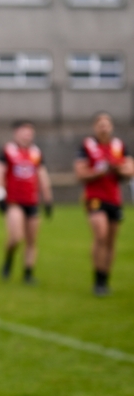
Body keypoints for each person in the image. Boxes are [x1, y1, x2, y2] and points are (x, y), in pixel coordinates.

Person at [74, 112, 133, 296]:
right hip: (94, 197)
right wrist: (98, 172)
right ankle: (97, 278)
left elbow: (129, 169)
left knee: (110, 241)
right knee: (101, 235)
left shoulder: (119, 146)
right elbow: (80, 173)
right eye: (100, 124)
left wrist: (117, 168)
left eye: (107, 124)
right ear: (95, 127)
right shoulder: (87, 146)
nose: (104, 128)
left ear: (111, 127)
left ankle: (105, 278)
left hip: (114, 198)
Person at [0, 121, 53, 284]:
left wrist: (48, 198)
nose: (27, 135)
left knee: (32, 240)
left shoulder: (36, 153)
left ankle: (28, 272)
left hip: (31, 201)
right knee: (16, 237)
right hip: (14, 200)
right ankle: (9, 258)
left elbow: (42, 175)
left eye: (30, 132)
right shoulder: (8, 150)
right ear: (16, 133)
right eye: (24, 131)